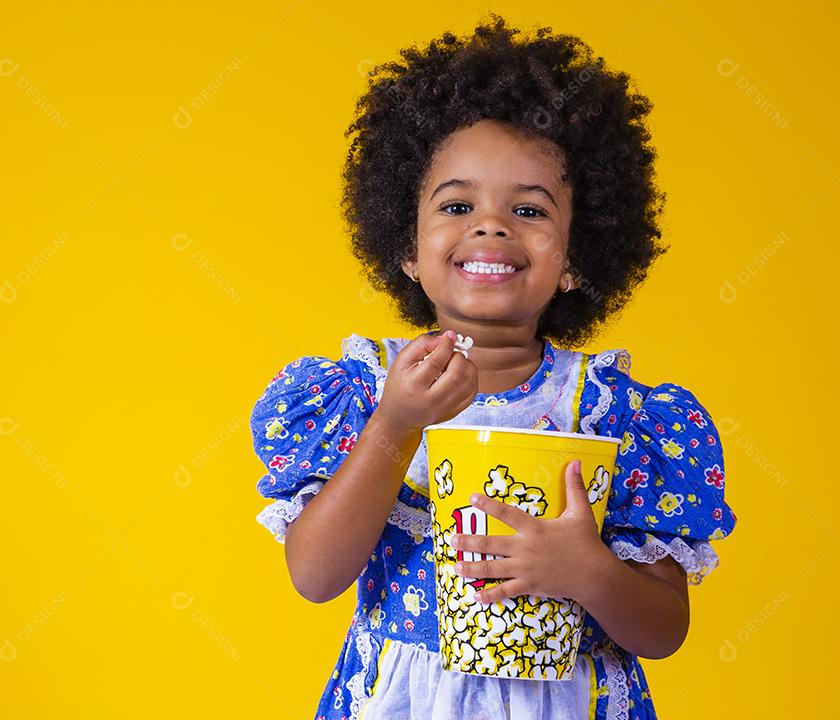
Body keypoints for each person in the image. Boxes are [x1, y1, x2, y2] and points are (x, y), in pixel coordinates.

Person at [249, 13, 736, 720]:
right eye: (457, 203)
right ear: (408, 248)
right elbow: (316, 575)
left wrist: (588, 571)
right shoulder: (359, 394)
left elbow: (664, 631)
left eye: (530, 210)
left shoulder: (617, 414)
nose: (491, 225)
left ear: (575, 259)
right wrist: (396, 423)